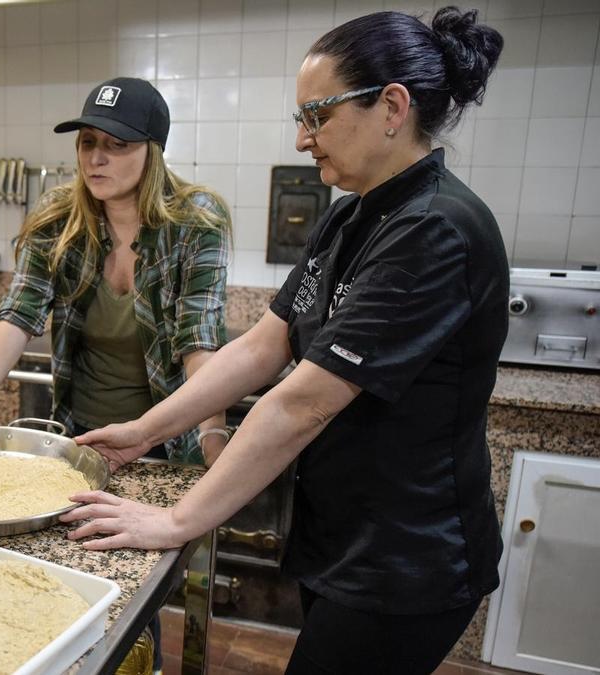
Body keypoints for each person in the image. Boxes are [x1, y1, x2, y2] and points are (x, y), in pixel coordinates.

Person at [64, 8, 506, 674]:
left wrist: (178, 520)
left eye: (318, 116)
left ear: (392, 105)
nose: (304, 140)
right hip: (346, 533)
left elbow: (303, 402)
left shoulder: (435, 229)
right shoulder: (354, 213)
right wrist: (144, 430)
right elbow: (264, 347)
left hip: (405, 558)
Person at [0, 77, 233, 468]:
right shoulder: (58, 218)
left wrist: (212, 434)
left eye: (117, 144)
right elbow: (19, 315)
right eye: (88, 142)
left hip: (167, 440)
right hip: (80, 437)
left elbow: (200, 337)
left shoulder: (196, 222)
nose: (96, 158)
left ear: (153, 151)